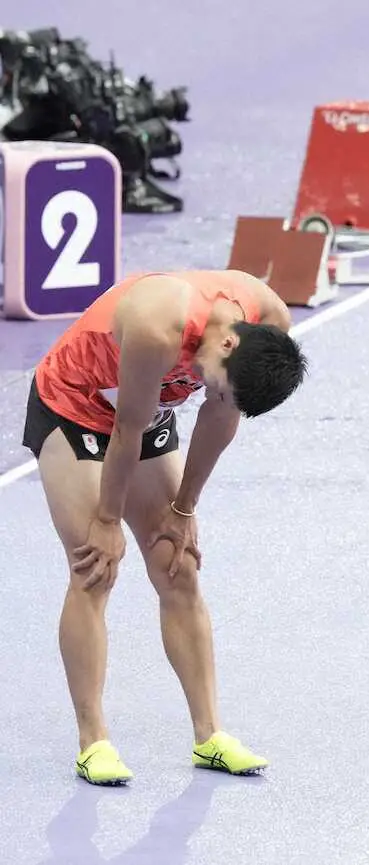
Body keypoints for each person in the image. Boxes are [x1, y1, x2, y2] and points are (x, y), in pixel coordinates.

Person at [22, 269, 308, 785]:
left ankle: (211, 736)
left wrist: (183, 510)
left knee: (178, 565)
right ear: (224, 343)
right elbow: (126, 428)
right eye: (215, 384)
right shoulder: (161, 324)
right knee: (94, 566)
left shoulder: (268, 321)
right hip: (77, 405)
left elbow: (220, 418)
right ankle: (94, 742)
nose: (211, 392)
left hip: (146, 413)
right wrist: (108, 520)